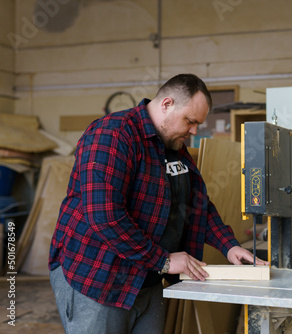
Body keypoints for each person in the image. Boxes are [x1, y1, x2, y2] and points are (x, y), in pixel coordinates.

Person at [48, 73, 268, 334]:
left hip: (146, 275)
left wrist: (229, 245)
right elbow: (106, 217)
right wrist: (164, 261)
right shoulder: (112, 135)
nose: (194, 131)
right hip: (99, 276)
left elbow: (197, 204)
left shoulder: (173, 145)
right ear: (166, 104)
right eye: (190, 121)